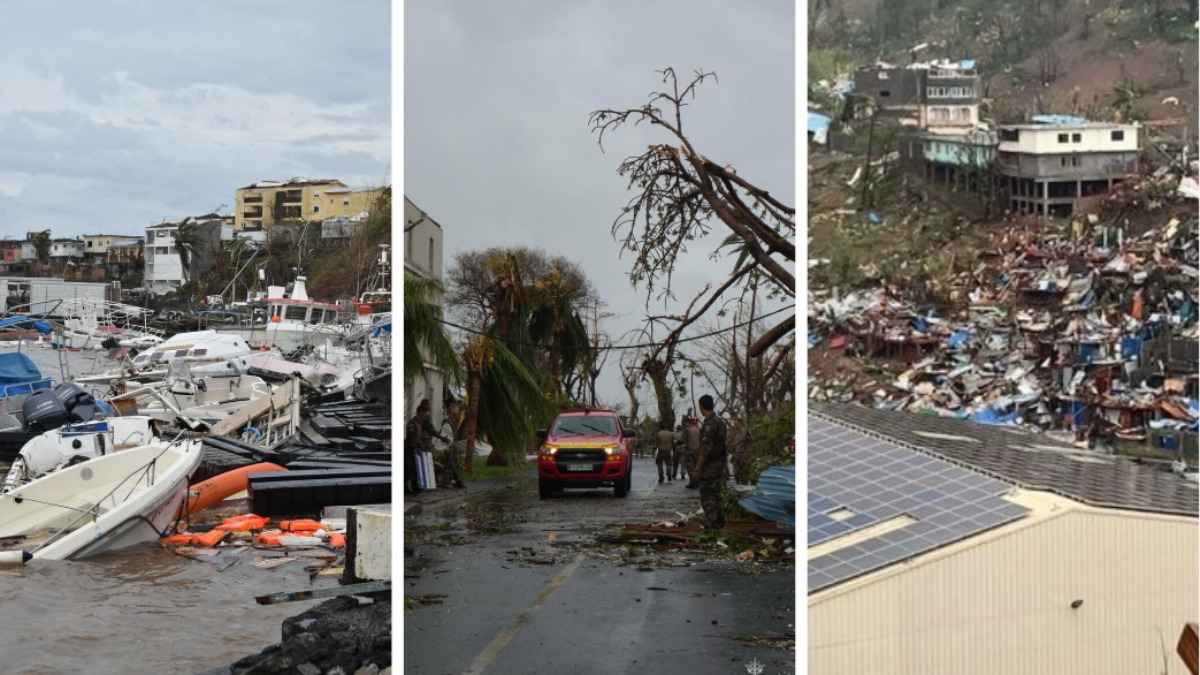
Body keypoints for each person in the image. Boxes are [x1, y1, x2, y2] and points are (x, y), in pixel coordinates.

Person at [692, 395, 728, 530]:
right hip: (720, 466)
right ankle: (718, 523)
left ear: (702, 406)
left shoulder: (710, 424)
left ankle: (712, 524)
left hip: (710, 468)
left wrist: (697, 469)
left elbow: (705, 449)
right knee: (718, 496)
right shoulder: (720, 422)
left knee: (708, 496)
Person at [655, 419, 676, 483]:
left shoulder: (658, 433)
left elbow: (657, 443)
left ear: (661, 427)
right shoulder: (671, 434)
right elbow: (673, 442)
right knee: (669, 463)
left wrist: (656, 448)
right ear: (667, 427)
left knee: (660, 464)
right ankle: (669, 474)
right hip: (668, 450)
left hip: (661, 450)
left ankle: (661, 477)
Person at [683, 415, 701, 488]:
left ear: (690, 422)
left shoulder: (687, 430)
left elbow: (684, 440)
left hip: (689, 451)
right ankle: (697, 482)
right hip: (698, 451)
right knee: (697, 467)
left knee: (690, 468)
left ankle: (692, 483)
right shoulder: (699, 429)